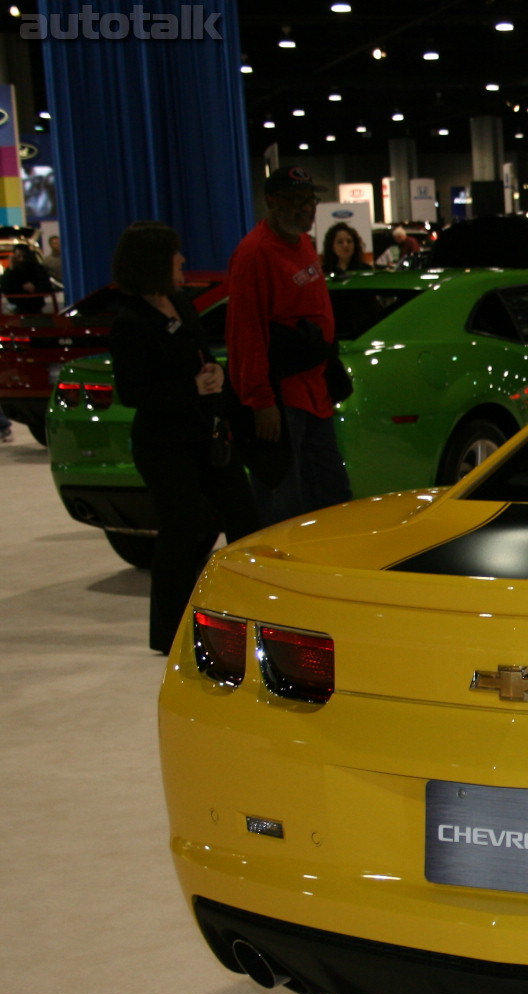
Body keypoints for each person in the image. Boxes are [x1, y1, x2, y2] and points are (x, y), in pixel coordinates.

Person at [106, 222, 260, 654]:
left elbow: (202, 355)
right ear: (154, 261)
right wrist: (190, 387)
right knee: (180, 532)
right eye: (175, 253)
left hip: (206, 435)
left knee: (244, 519)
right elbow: (132, 392)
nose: (183, 260)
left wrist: (215, 372)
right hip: (165, 444)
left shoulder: (180, 303)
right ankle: (171, 632)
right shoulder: (131, 322)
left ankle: (253, 610)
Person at [227, 164, 353, 526]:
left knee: (331, 494)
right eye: (295, 199)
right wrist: (261, 401)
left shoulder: (302, 243)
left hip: (314, 391)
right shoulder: (255, 254)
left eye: (310, 199)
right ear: (271, 201)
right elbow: (246, 334)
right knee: (283, 504)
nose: (306, 208)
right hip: (283, 397)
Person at [0, 243, 58, 313]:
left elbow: (47, 287)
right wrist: (11, 269)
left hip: (35, 308)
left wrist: (35, 289)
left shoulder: (37, 269)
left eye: (24, 256)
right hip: (17, 307)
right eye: (18, 256)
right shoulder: (10, 271)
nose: (21, 259)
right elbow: (5, 288)